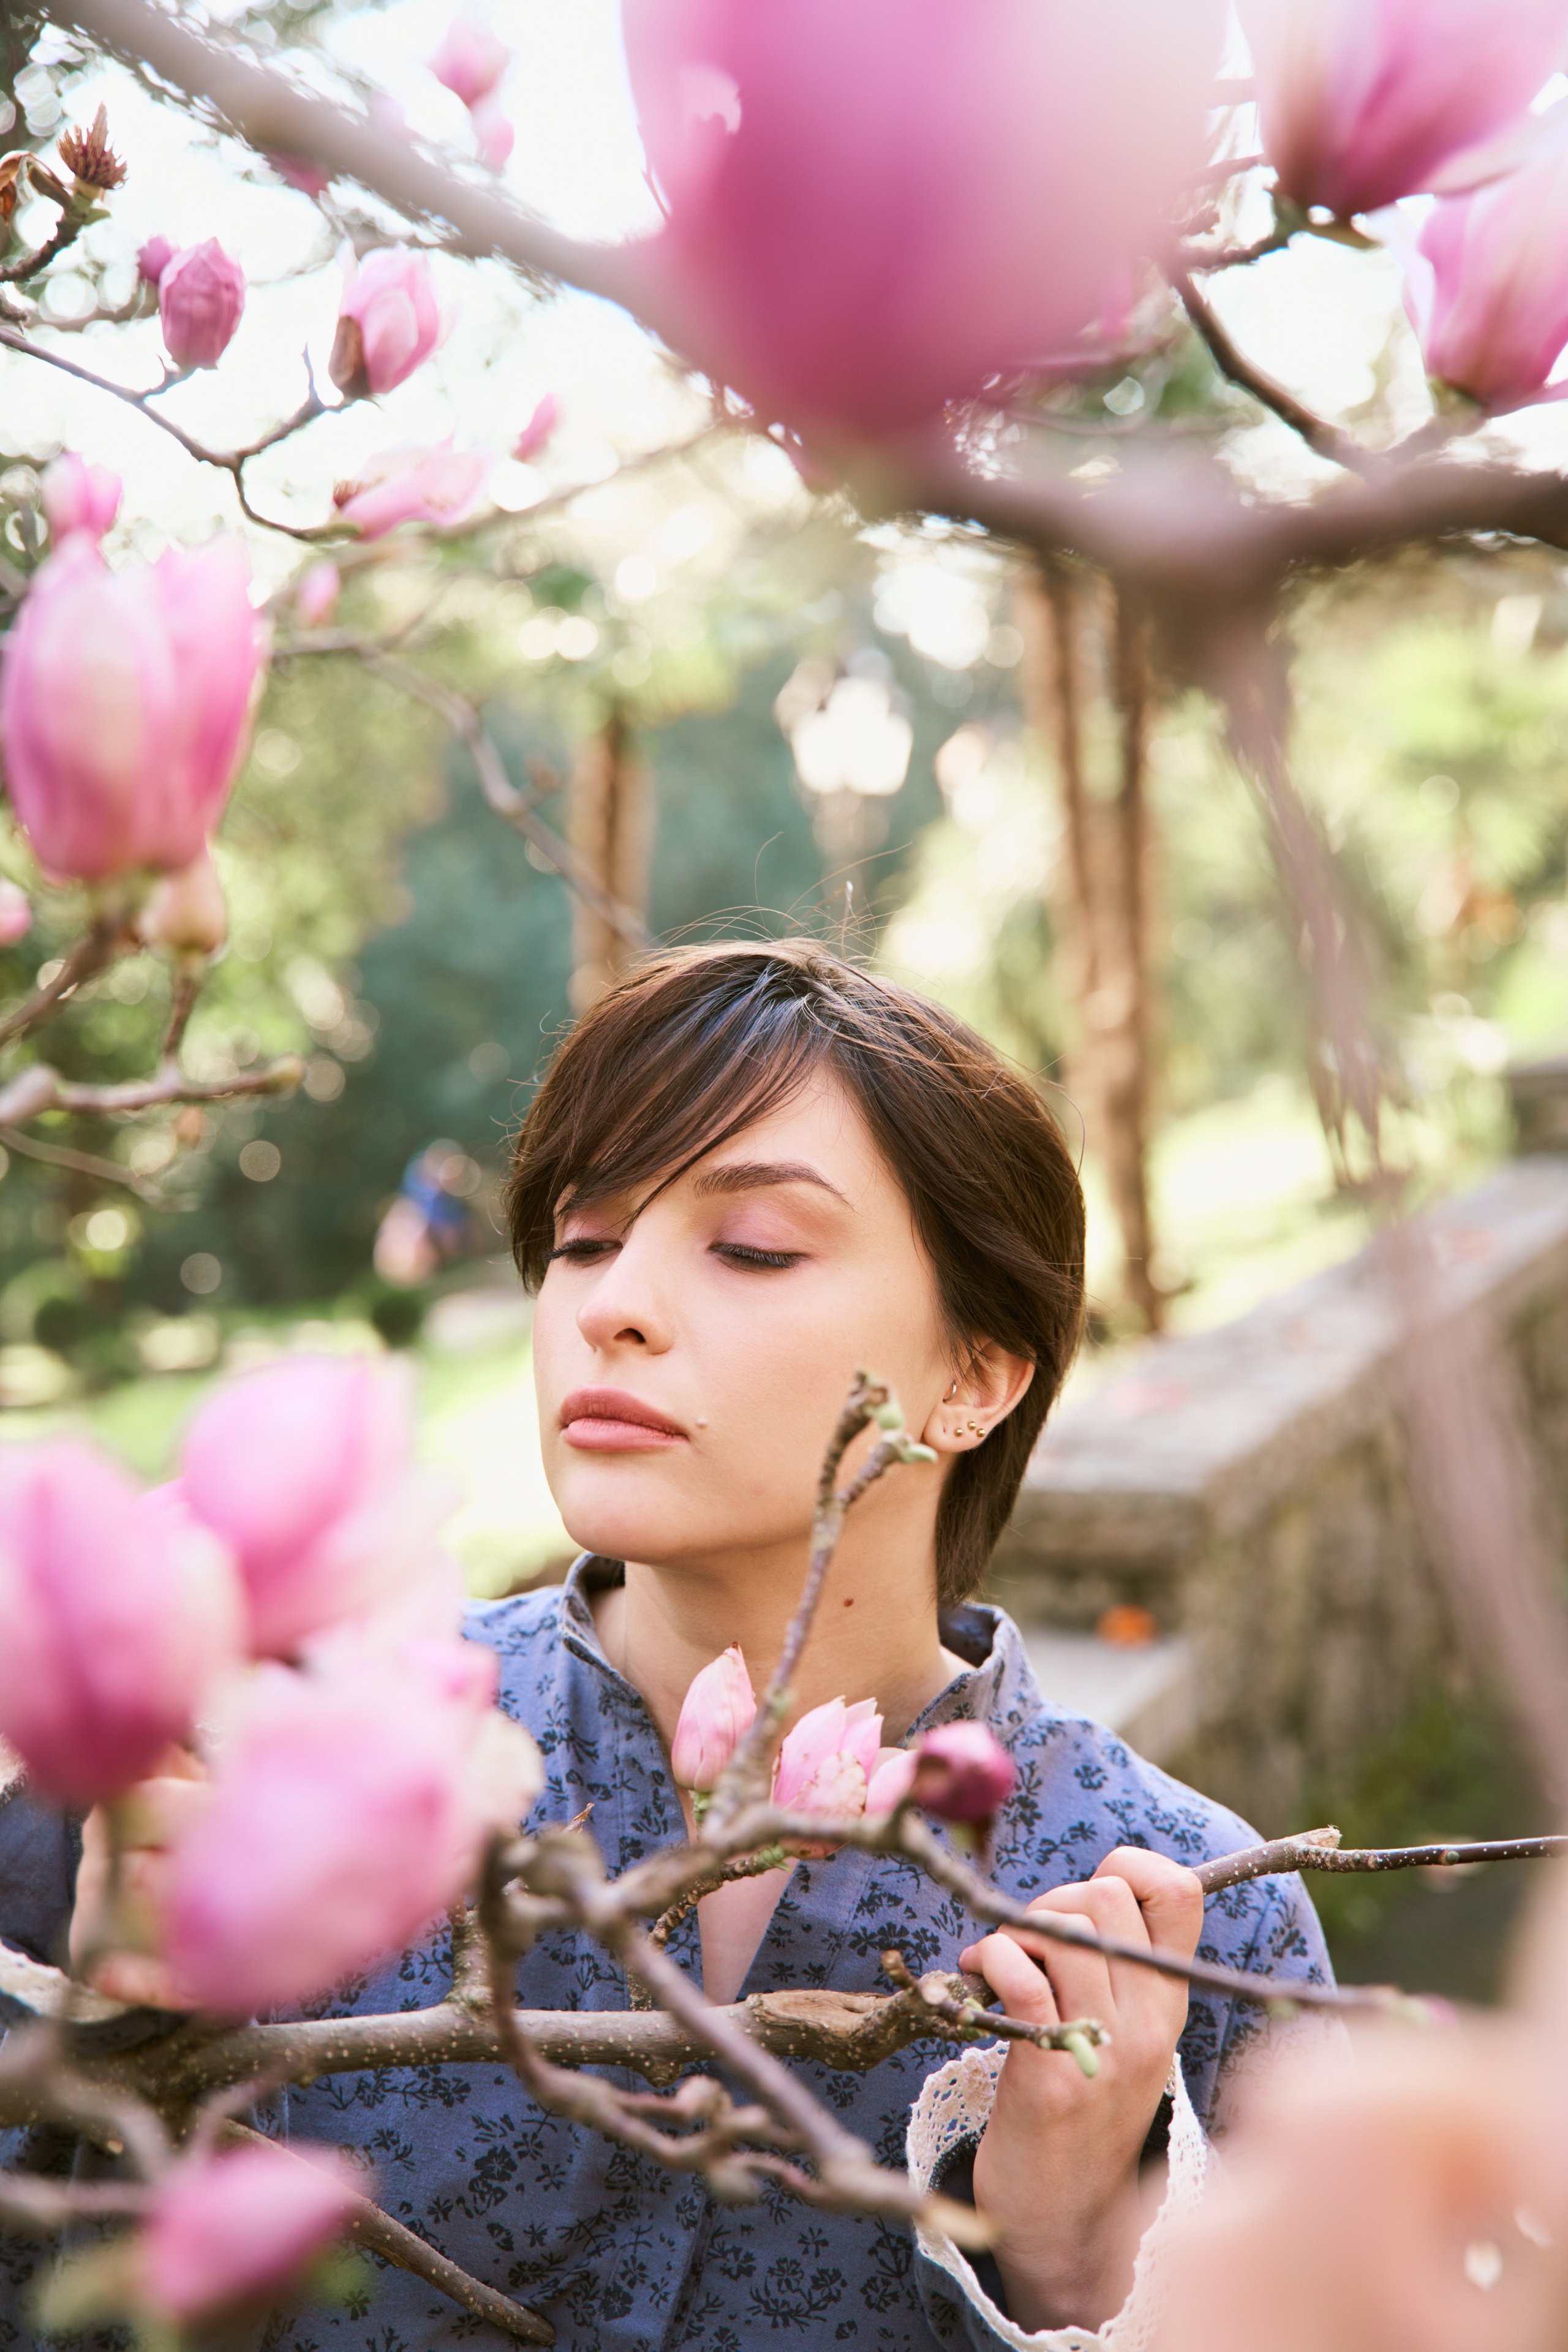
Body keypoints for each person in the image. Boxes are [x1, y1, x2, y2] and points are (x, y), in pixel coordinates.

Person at [0, 940, 1331, 2352]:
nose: (607, 1305)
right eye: (582, 1239)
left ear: (975, 1376)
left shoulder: (1177, 1929)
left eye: (750, 1247)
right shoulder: (249, 1758)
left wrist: (1066, 2268)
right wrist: (121, 2056)